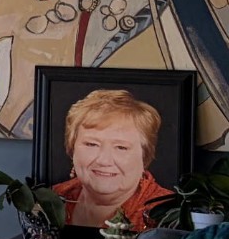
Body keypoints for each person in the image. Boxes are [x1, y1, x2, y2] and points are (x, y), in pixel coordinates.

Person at [53, 88, 175, 228]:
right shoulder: (53, 198)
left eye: (121, 147)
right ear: (72, 148)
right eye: (92, 144)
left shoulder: (168, 215)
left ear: (144, 157)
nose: (104, 160)